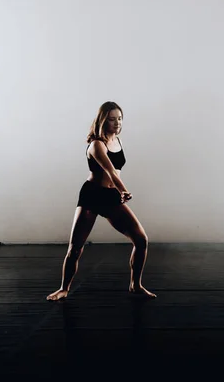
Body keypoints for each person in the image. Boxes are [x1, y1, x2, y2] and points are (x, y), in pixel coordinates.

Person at [47, 101, 156, 301]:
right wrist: (123, 190)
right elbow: (111, 171)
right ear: (103, 121)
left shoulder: (118, 141)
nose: (117, 123)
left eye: (120, 119)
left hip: (111, 197)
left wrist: (119, 193)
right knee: (75, 247)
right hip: (92, 195)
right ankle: (64, 288)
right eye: (112, 119)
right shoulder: (97, 144)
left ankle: (136, 285)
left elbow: (117, 171)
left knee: (141, 241)